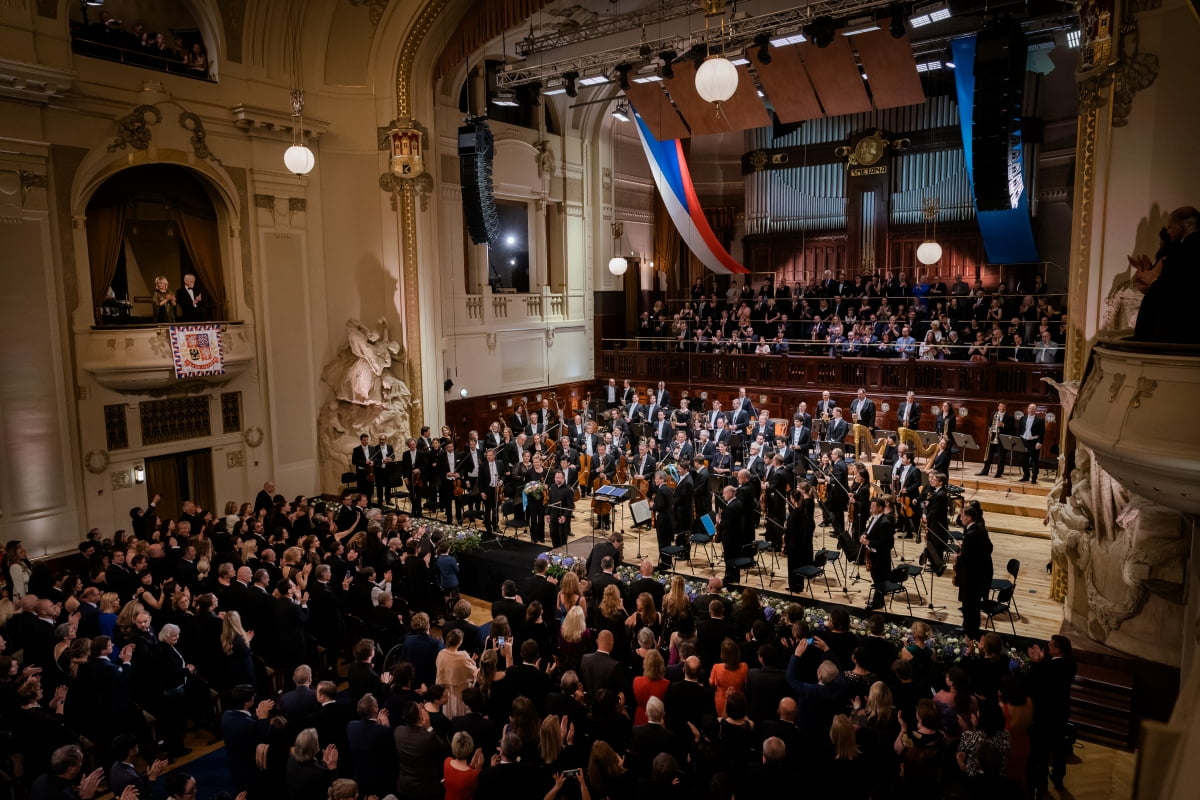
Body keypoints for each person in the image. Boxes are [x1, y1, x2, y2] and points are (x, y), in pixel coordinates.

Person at [1131, 205, 1200, 343]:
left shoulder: (1184, 250)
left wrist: (1153, 283)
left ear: (1187, 224)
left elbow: (1175, 287)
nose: (1168, 232)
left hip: (1178, 331)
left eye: (1171, 227)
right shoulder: (1184, 249)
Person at [955, 505, 993, 639]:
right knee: (974, 604)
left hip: (971, 575)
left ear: (968, 517)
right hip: (981, 573)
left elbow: (967, 558)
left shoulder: (971, 534)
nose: (960, 518)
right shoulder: (981, 529)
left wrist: (959, 557)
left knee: (968, 603)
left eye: (962, 515)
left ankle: (968, 629)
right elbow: (989, 548)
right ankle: (972, 628)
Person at [860, 497, 894, 611]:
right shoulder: (875, 518)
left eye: (873, 506)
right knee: (876, 579)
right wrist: (864, 534)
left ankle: (878, 603)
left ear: (880, 508)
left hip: (880, 557)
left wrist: (869, 542)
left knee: (879, 580)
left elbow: (885, 543)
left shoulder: (884, 522)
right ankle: (878, 601)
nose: (871, 508)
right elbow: (868, 530)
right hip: (873, 554)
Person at [785, 484, 815, 592]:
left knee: (793, 566)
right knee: (798, 564)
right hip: (799, 543)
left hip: (794, 545)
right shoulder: (800, 511)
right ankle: (799, 584)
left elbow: (791, 531)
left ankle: (794, 586)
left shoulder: (795, 514)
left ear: (793, 499)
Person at [1016, 404, 1045, 484]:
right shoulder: (1022, 418)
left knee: (1034, 461)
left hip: (1034, 442)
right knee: (1024, 460)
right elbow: (1019, 430)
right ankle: (1026, 476)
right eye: (1030, 408)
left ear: (1035, 410)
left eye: (1033, 409)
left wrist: (1040, 442)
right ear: (1027, 409)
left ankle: (1034, 478)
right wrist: (1018, 440)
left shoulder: (1039, 420)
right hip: (1023, 441)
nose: (1031, 410)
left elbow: (1042, 433)